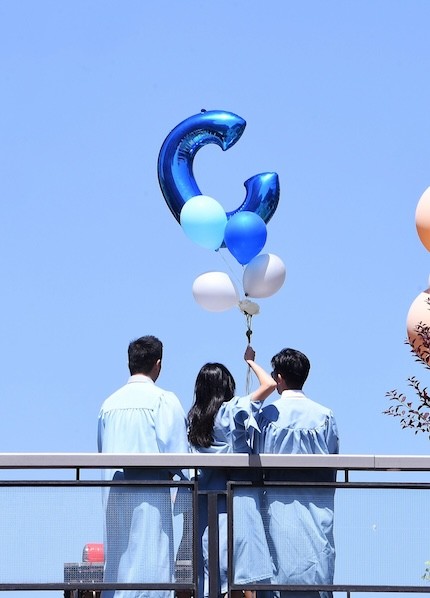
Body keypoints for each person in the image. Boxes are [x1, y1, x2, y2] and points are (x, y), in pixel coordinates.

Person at [97, 335, 189, 598]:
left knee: (118, 565)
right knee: (152, 571)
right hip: (152, 503)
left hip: (114, 500)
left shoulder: (108, 405)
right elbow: (182, 461)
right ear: (157, 364)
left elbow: (102, 452)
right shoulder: (162, 401)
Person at [187, 346, 276, 598]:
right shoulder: (230, 409)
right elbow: (268, 385)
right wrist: (250, 362)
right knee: (239, 571)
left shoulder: (193, 420)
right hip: (237, 501)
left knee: (210, 568)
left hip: (204, 502)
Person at [253, 348, 339, 598]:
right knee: (319, 570)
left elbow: (257, 462)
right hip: (318, 506)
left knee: (278, 571)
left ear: (279, 378)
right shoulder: (325, 416)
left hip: (278, 508)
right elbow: (334, 458)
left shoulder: (267, 416)